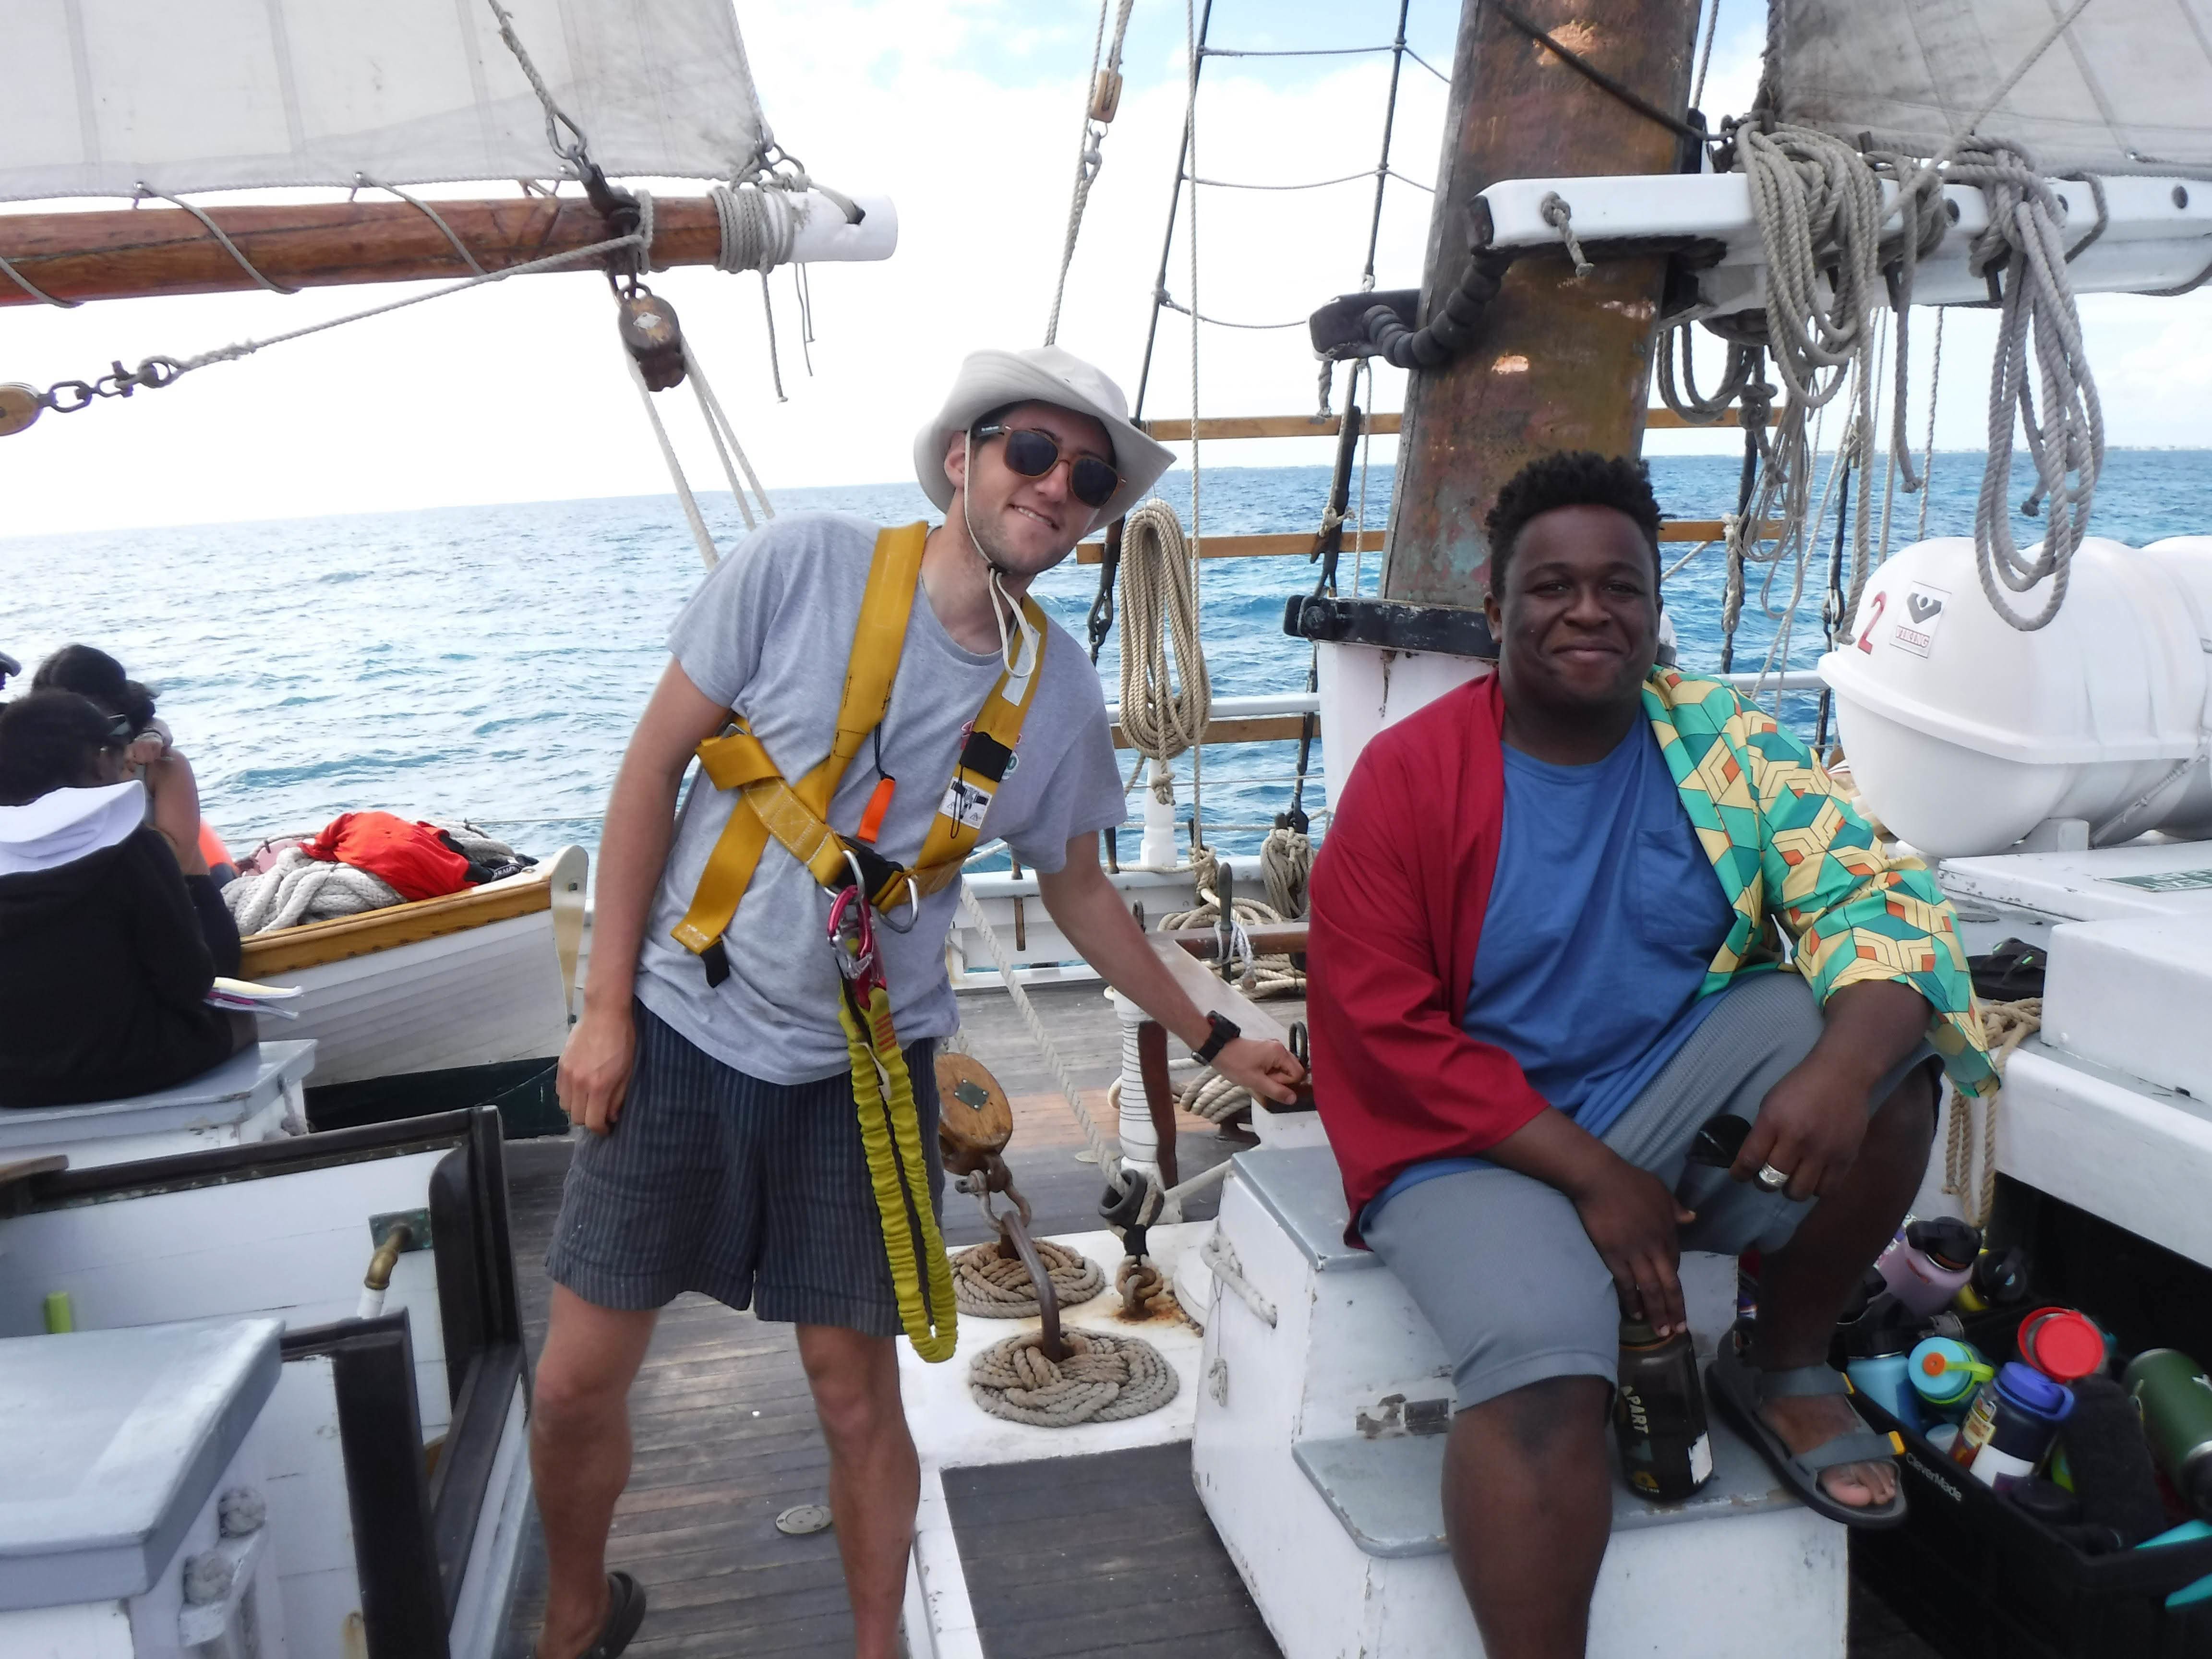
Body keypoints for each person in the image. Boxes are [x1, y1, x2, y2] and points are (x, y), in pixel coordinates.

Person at [532, 345, 1307, 1659]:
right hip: (680, 1025)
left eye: (1089, 476)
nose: (1057, 486)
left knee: (854, 1394)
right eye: (1031, 453)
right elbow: (651, 770)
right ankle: (571, 1618)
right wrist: (603, 1009)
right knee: (573, 1383)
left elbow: (1081, 895)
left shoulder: (1055, 693)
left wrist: (1218, 1032)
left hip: (867, 1072)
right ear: (963, 456)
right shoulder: (802, 567)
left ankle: (880, 1647)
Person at [1306, 452, 1997, 1659]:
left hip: (1656, 1091)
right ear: (1496, 610)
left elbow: (1874, 886)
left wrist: (1837, 1072)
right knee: (1543, 1373)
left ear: (1652, 605)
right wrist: (1594, 1178)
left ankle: (1780, 1359)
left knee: (1879, 1057)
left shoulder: (1717, 738)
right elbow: (1382, 1033)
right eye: (1552, 586)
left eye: (1619, 586)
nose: (1588, 610)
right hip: (1466, 1142)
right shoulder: (1407, 778)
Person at [0, 690, 250, 1108]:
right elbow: (187, 981)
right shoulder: (134, 849)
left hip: (12, 1083)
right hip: (135, 1065)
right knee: (244, 1023)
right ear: (100, 761)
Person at [32, 643, 235, 883]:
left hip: (173, 899)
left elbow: (179, 860)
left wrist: (107, 798)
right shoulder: (39, 767)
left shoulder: (160, 764)